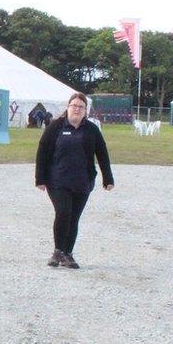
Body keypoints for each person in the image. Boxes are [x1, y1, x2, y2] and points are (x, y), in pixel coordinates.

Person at [35, 92, 114, 268]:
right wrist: (40, 178)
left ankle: (68, 254)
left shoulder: (91, 130)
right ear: (68, 107)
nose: (77, 109)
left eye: (81, 106)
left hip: (82, 181)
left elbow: (102, 153)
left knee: (74, 217)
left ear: (86, 110)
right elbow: (42, 151)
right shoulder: (55, 127)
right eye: (74, 105)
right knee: (63, 212)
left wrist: (108, 178)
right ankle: (57, 252)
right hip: (57, 180)